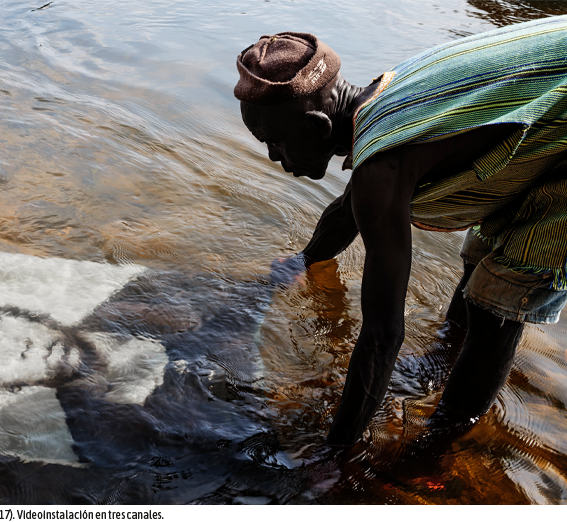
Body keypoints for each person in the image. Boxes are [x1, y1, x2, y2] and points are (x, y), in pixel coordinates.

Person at [234, 16, 567, 448]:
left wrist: (334, 454)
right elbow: (346, 212)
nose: (274, 157)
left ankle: (435, 451)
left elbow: (383, 333)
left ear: (317, 126)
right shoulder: (383, 99)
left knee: (500, 301)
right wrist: (302, 263)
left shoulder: (381, 171)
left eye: (273, 142)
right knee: (481, 254)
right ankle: (444, 361)